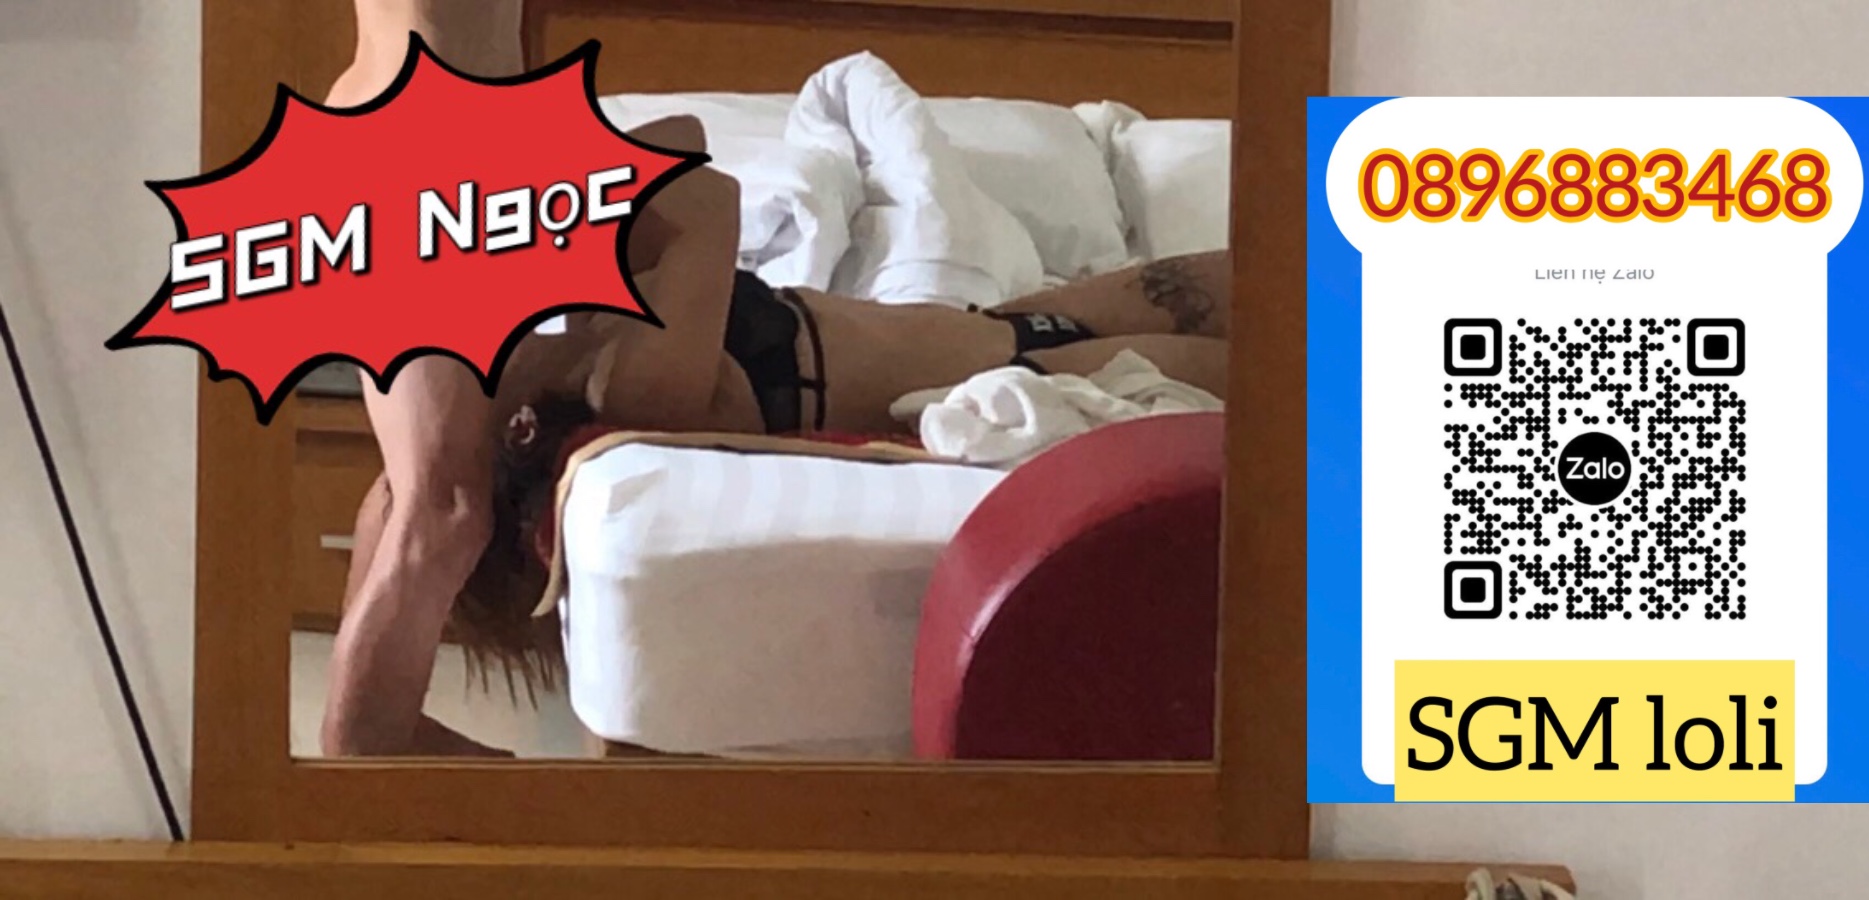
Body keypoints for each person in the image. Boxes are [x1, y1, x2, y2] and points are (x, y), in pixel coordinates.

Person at [320, 0, 1233, 757]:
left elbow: (680, 158)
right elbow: (698, 186)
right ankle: (358, 758)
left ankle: (381, 760)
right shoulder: (625, 375)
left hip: (422, 112)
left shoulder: (583, 338)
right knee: (440, 506)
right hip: (431, 131)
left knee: (419, 493)